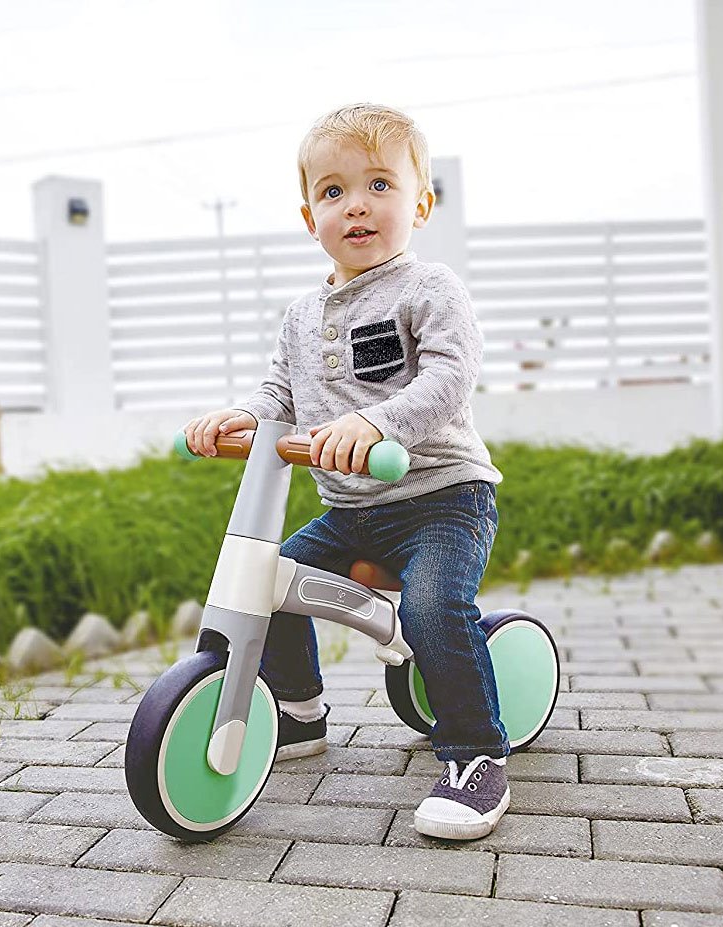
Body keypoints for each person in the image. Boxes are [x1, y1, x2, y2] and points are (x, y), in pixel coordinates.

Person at [183, 103, 509, 840]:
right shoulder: (301, 314)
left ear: (419, 205)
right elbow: (280, 392)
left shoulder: (430, 289)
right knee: (271, 578)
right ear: (310, 218)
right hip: (351, 508)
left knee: (431, 609)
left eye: (379, 186)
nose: (355, 204)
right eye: (333, 192)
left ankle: (475, 754)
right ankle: (298, 711)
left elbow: (448, 380)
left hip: (440, 499)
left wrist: (375, 422)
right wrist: (242, 417)